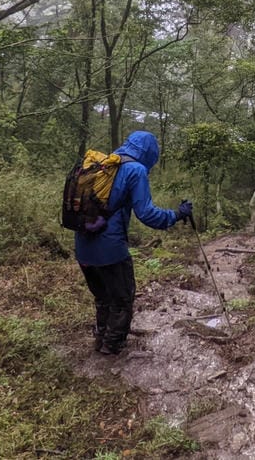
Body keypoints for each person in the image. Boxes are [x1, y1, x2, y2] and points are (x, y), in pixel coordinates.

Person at [74, 130, 191, 355]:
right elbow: (147, 214)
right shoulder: (135, 170)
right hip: (110, 250)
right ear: (150, 153)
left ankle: (100, 338)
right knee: (122, 298)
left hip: (82, 245)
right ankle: (112, 346)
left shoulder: (104, 165)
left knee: (102, 297)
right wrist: (177, 214)